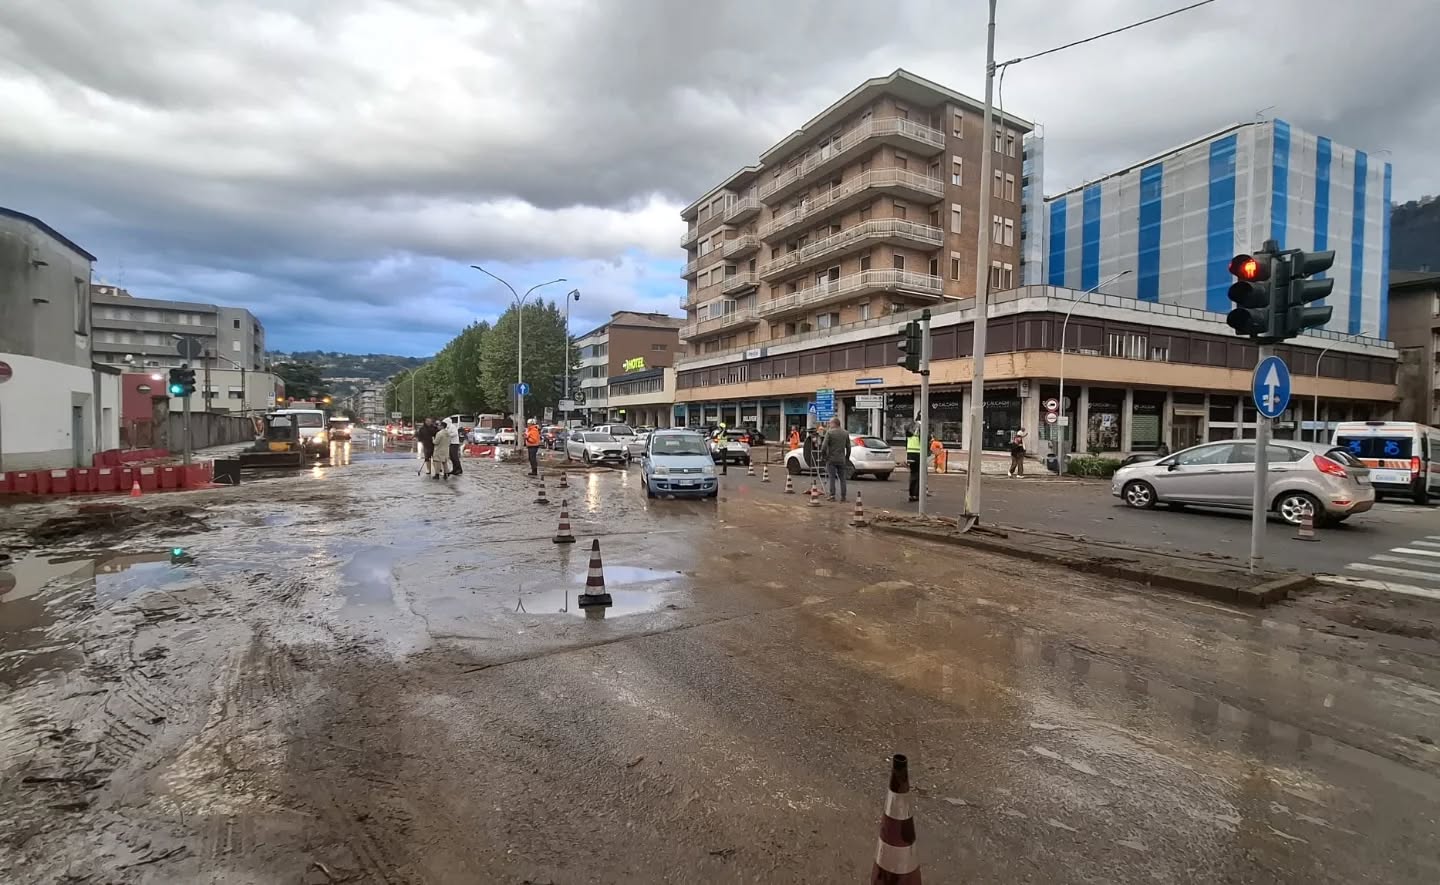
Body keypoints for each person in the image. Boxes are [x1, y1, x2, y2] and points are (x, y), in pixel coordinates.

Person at [821, 417, 852, 502]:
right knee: (843, 479)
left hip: (831, 459)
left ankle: (832, 496)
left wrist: (824, 456)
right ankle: (843, 497)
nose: (829, 425)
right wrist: (847, 457)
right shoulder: (845, 433)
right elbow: (848, 447)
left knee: (832, 478)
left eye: (830, 423)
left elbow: (823, 447)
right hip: (841, 459)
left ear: (834, 423)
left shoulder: (829, 433)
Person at [906, 425, 922, 502]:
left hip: (910, 455)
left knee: (913, 474)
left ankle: (911, 494)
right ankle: (916, 494)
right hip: (917, 455)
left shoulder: (909, 433)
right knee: (918, 475)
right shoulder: (919, 433)